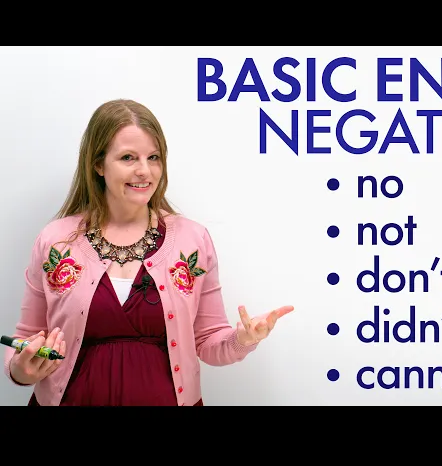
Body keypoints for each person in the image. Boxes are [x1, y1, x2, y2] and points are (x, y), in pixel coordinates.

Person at [3, 99, 294, 406]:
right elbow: (26, 337)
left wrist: (242, 340)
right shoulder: (55, 241)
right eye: (128, 157)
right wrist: (21, 369)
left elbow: (208, 341)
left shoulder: (193, 240)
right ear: (98, 164)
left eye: (153, 157)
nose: (144, 171)